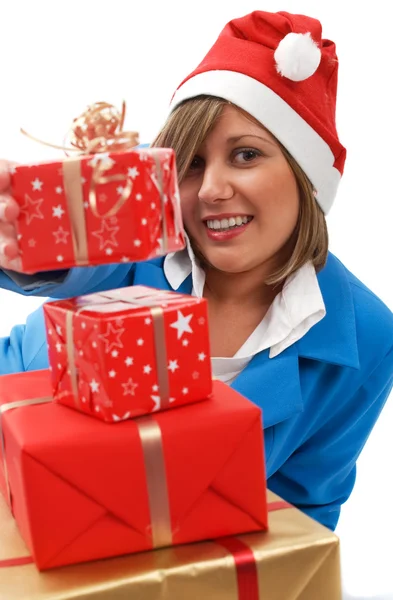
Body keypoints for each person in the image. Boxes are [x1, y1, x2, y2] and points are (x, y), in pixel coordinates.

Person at [0, 10, 392, 531]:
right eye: (192, 164)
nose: (210, 190)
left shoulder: (365, 334)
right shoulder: (141, 216)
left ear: (306, 177)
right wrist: (21, 230)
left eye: (246, 155)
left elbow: (301, 513)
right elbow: (60, 259)